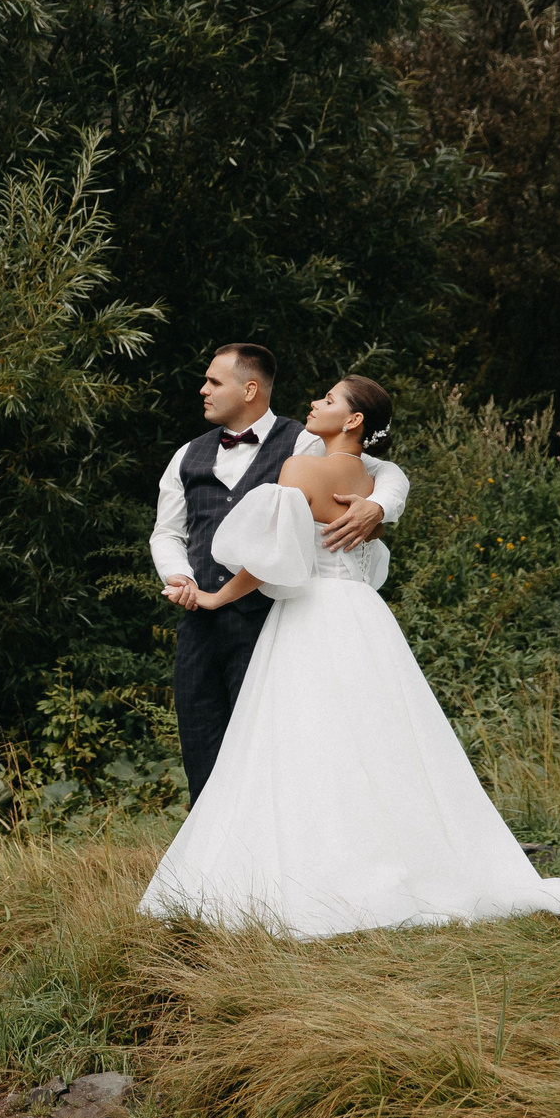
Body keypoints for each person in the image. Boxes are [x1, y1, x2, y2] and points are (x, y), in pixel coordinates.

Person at [138, 374, 560, 938]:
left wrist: (215, 593)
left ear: (353, 421)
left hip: (309, 616)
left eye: (328, 400)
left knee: (303, 738)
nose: (314, 403)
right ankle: (395, 854)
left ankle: (315, 868)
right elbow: (381, 480)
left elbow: (274, 558)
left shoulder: (302, 468)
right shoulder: (359, 475)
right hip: (363, 618)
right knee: (380, 740)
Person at [150, 343, 408, 804]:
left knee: (274, 748)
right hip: (201, 624)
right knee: (200, 738)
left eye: (214, 381)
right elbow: (167, 533)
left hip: (273, 619)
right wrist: (180, 578)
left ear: (249, 388)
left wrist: (380, 506)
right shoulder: (186, 455)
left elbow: (380, 467)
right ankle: (211, 863)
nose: (203, 389)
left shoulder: (303, 444)